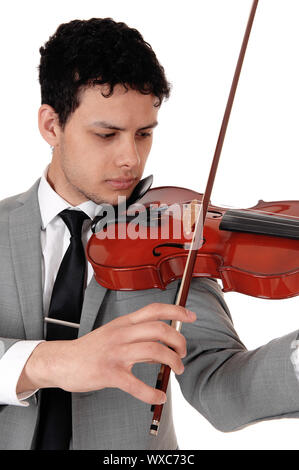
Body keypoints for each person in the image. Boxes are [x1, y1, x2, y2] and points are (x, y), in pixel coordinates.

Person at [1, 17, 299, 451]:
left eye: (144, 134)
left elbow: (221, 389)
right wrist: (51, 361)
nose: (130, 158)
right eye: (107, 134)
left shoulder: (174, 238)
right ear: (51, 125)